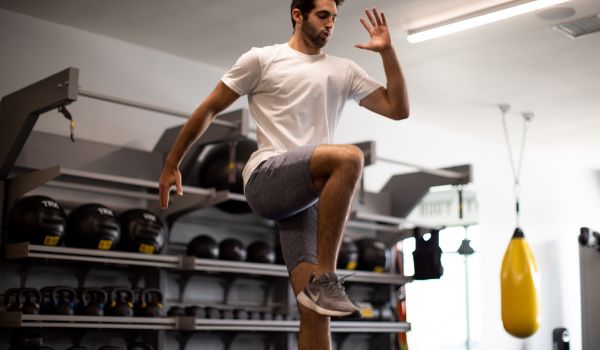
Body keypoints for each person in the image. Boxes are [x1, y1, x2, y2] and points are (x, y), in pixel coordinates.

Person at [159, 0, 409, 348]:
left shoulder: (343, 70)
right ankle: (327, 277)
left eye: (334, 18)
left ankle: (320, 287)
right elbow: (210, 108)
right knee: (349, 158)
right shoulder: (262, 60)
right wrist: (172, 163)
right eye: (322, 16)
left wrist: (388, 54)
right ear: (298, 15)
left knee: (315, 312)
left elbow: (398, 109)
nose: (330, 25)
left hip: (307, 196)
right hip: (267, 178)